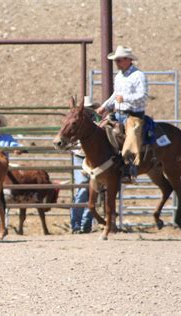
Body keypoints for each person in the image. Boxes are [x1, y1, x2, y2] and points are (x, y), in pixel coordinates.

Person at [70, 96, 101, 234]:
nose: (87, 112)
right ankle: (76, 224)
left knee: (92, 191)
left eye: (89, 110)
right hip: (81, 156)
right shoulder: (76, 122)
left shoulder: (97, 122)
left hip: (94, 158)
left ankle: (85, 225)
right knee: (83, 189)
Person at [96, 45, 148, 125]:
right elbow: (116, 95)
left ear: (128, 60)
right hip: (118, 114)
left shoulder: (138, 76)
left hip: (134, 117)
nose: (116, 63)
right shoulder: (118, 76)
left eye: (118, 60)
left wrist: (124, 98)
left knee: (132, 136)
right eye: (115, 60)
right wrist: (104, 107)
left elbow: (143, 96)